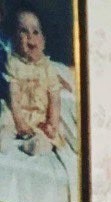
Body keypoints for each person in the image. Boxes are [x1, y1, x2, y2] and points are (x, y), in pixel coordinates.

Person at [0, 3, 66, 156]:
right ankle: (5, 136)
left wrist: (52, 123)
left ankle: (34, 144)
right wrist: (20, 123)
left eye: (36, 32)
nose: (30, 36)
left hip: (40, 117)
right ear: (14, 39)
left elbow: (55, 99)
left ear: (44, 40)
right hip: (17, 113)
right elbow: (14, 99)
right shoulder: (13, 64)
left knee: (50, 134)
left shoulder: (48, 68)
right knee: (4, 114)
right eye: (23, 31)